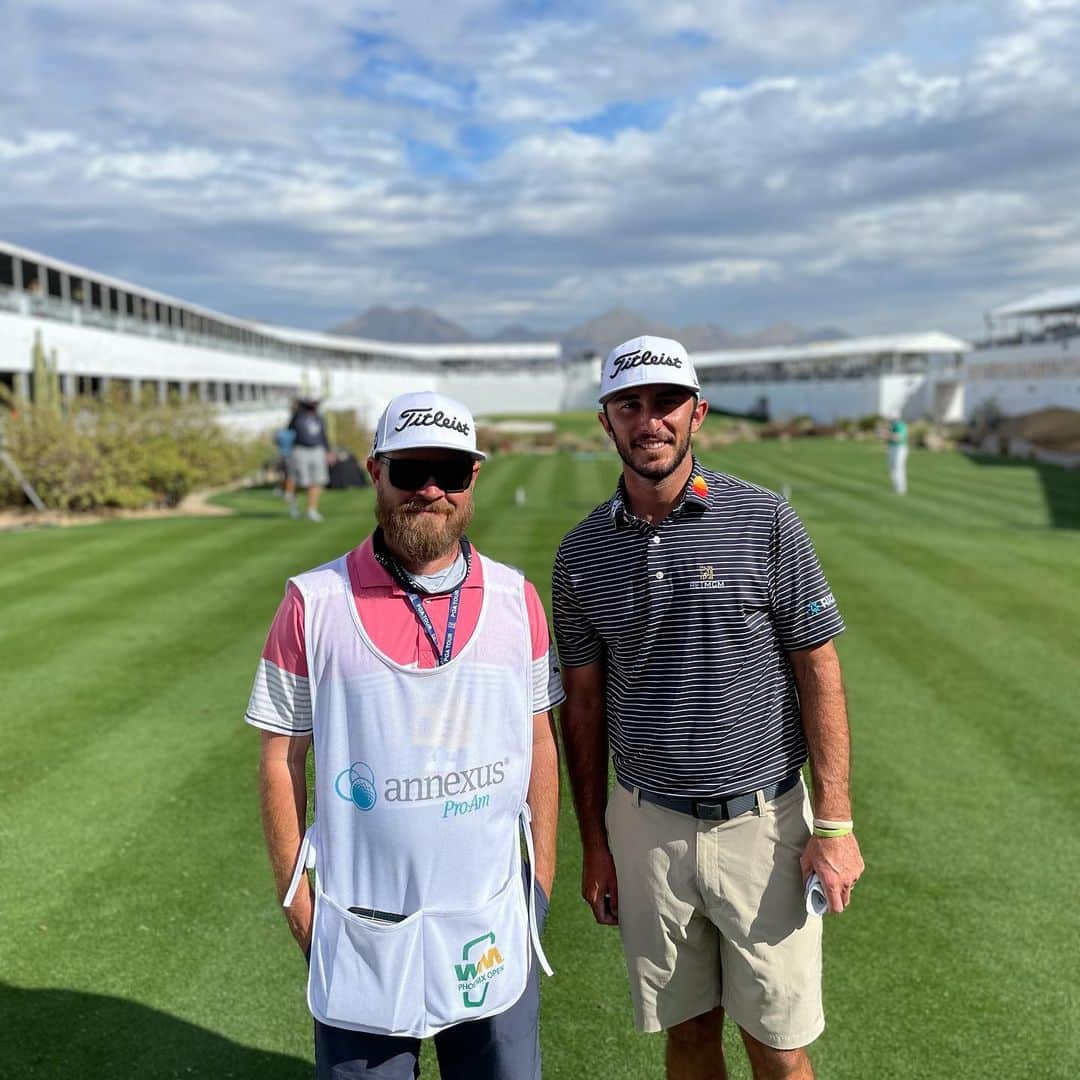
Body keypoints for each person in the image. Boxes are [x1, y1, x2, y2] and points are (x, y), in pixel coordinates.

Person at [552, 336, 864, 1080]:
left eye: (667, 403)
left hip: (765, 825)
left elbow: (817, 667)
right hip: (647, 826)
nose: (649, 420)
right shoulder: (580, 553)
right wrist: (595, 842)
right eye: (631, 404)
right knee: (688, 1034)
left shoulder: (765, 522)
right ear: (606, 421)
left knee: (779, 1047)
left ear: (698, 414)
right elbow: (584, 707)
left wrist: (836, 822)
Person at [246, 390, 561, 1080]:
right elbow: (280, 757)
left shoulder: (518, 599)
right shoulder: (311, 603)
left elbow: (539, 739)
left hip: (490, 928)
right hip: (363, 932)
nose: (429, 490)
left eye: (448, 472)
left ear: (473, 479)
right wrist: (297, 904)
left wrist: (540, 882)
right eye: (410, 468)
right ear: (374, 470)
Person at [285, 397, 331, 522]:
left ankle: (312, 510)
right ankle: (293, 504)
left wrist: (328, 451)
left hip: (317, 450)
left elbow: (323, 435)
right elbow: (289, 427)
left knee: (316, 481)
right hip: (301, 450)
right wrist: (296, 407)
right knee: (301, 482)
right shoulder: (298, 416)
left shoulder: (319, 418)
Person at [886, 415, 909, 495]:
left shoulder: (900, 426)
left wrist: (887, 434)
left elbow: (898, 437)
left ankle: (901, 489)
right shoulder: (893, 426)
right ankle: (895, 486)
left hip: (899, 448)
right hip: (892, 448)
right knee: (891, 468)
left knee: (898, 468)